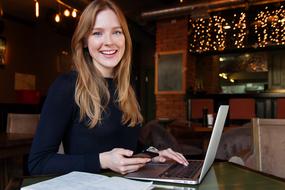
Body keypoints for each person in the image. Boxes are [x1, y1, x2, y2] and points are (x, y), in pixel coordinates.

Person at [28, 0, 188, 175]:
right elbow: (38, 162)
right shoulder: (66, 86)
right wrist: (102, 161)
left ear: (125, 38)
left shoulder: (127, 85)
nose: (109, 42)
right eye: (97, 33)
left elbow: (127, 146)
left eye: (117, 32)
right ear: (84, 41)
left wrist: (153, 154)